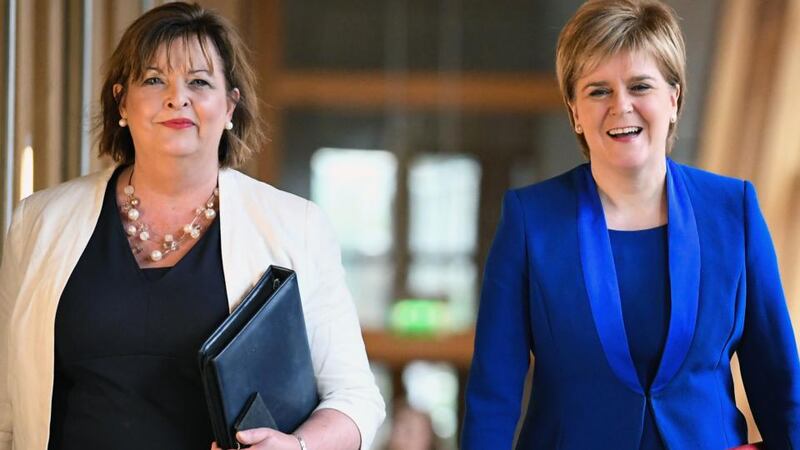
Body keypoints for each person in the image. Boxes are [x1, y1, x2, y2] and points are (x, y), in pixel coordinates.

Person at [0, 3, 385, 450]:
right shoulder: (38, 222)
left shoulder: (295, 225)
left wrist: (296, 447)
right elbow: (6, 404)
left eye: (199, 82)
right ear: (122, 101)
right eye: (154, 80)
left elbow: (356, 399)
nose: (176, 98)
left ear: (230, 106)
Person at [462, 0, 800, 449]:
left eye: (640, 86)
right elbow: (493, 395)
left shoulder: (732, 210)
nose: (621, 106)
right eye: (598, 91)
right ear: (575, 111)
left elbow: (780, 386)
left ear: (673, 99)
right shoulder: (530, 220)